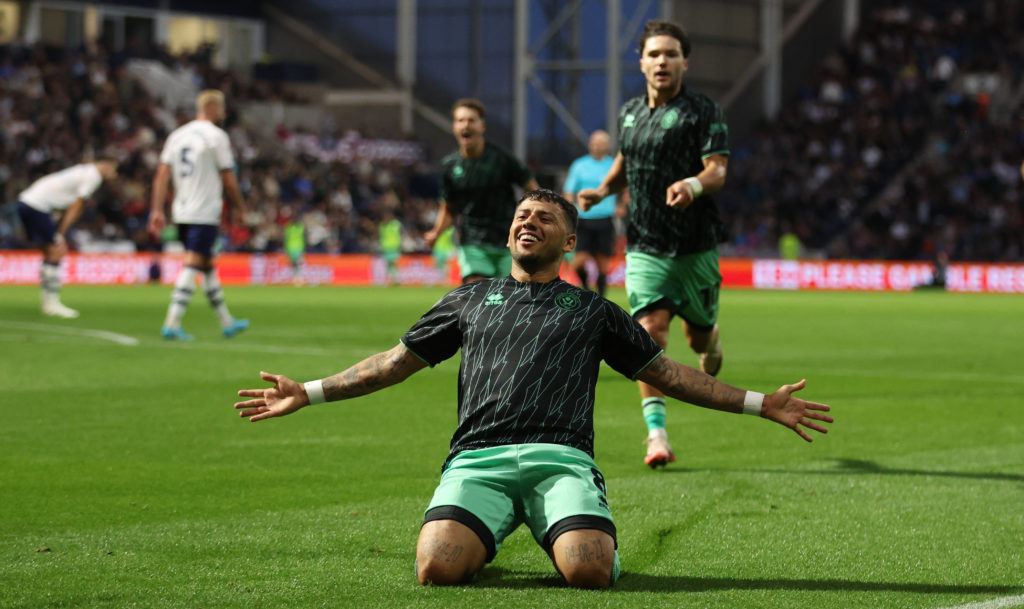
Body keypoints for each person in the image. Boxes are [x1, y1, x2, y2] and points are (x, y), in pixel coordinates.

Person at [234, 188, 833, 589]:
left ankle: (576, 526)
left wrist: (760, 403)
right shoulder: (467, 299)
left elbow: (669, 375)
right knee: (435, 570)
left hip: (562, 461)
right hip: (477, 460)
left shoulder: (594, 311)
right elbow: (393, 363)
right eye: (523, 216)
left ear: (569, 242)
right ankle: (496, 522)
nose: (529, 222)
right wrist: (307, 392)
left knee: (590, 572)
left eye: (545, 218)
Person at [578, 20, 730, 468]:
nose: (662, 61)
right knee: (649, 334)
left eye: (670, 54)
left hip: (695, 245)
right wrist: (604, 190)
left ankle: (712, 340)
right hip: (644, 244)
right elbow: (628, 158)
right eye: (654, 54)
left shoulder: (704, 111)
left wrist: (692, 185)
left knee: (697, 335)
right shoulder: (629, 113)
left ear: (685, 61)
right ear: (641, 62)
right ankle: (657, 434)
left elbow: (718, 169)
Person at [148, 89, 249, 341]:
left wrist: (157, 209)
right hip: (204, 211)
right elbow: (228, 175)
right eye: (222, 106)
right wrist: (239, 207)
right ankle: (171, 322)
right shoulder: (216, 136)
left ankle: (227, 322)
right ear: (213, 107)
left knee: (206, 264)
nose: (224, 111)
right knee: (193, 262)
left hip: (181, 210)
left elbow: (161, 174)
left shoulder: (177, 135)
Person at [424, 98, 540, 283]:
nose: (465, 125)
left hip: (507, 240)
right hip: (472, 242)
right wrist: (436, 233)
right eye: (460, 120)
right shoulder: (450, 166)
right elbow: (448, 208)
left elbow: (533, 190)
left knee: (508, 303)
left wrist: (536, 220)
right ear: (454, 126)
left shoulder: (502, 159)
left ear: (482, 126)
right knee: (475, 294)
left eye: (471, 120)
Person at [15, 157, 119, 318]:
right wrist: (61, 232)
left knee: (49, 252)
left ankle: (48, 302)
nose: (115, 174)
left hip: (26, 202)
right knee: (57, 249)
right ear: (105, 165)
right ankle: (52, 304)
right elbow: (77, 206)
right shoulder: (94, 176)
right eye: (113, 169)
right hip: (37, 205)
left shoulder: (82, 170)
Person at [562, 130, 622, 297]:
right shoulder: (579, 165)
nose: (596, 146)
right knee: (579, 261)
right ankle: (587, 288)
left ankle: (602, 298)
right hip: (583, 219)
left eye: (600, 143)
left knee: (603, 262)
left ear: (607, 146)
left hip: (605, 219)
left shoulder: (613, 164)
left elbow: (624, 187)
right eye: (594, 142)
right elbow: (568, 190)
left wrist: (622, 204)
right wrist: (570, 208)